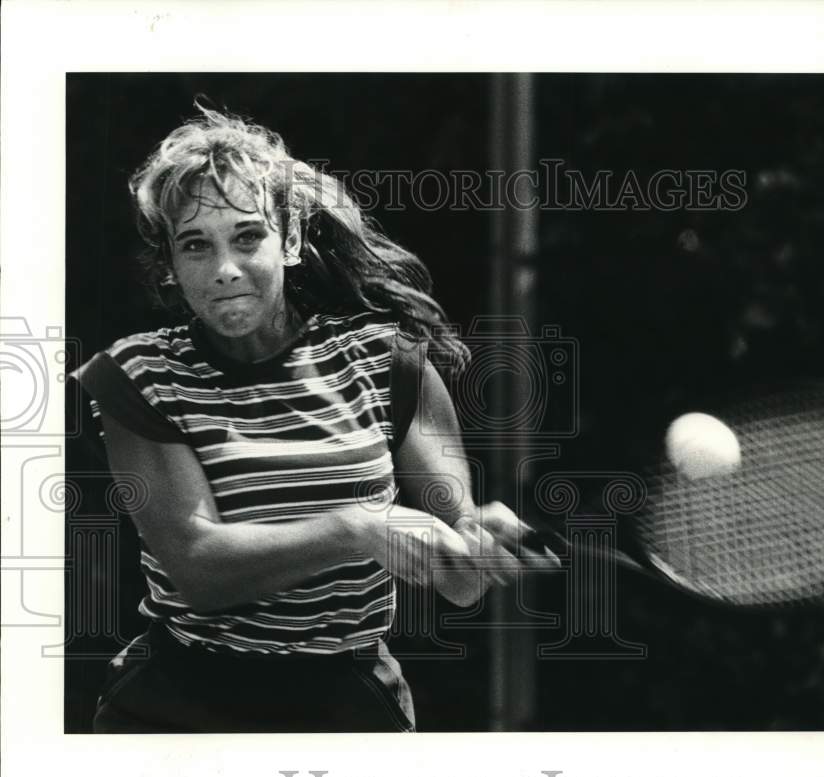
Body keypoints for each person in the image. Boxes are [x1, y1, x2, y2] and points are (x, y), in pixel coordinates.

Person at [72, 104, 550, 733]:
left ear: (290, 241)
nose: (224, 270)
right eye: (195, 244)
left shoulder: (388, 360)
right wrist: (356, 527)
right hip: (177, 707)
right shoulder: (137, 375)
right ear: (170, 264)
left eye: (248, 236)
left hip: (348, 706)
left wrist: (475, 542)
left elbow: (457, 579)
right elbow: (198, 568)